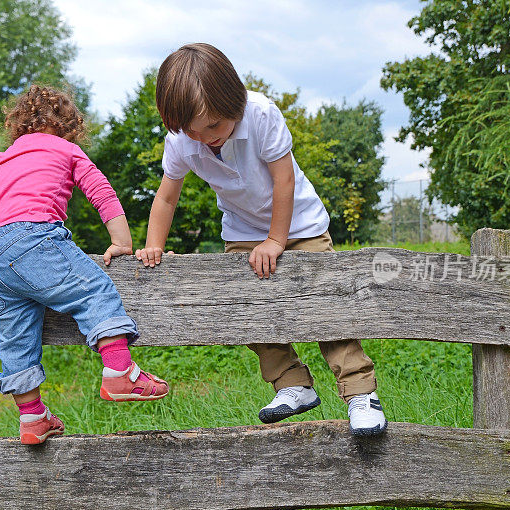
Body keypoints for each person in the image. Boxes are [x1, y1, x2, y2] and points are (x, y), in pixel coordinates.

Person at [135, 43, 386, 435]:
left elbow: (283, 180)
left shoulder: (262, 114)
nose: (205, 139)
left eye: (214, 126)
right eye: (192, 131)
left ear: (234, 102)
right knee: (252, 310)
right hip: (242, 231)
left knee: (325, 306)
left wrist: (275, 240)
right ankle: (292, 384)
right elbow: (167, 195)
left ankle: (359, 392)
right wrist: (153, 244)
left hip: (299, 224)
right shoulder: (184, 140)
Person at [0, 85, 169, 445]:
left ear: (19, 126)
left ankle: (32, 417)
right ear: (68, 125)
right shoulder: (66, 149)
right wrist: (122, 242)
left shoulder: (0, 160)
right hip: (34, 235)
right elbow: (101, 192)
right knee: (93, 289)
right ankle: (120, 371)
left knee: (14, 337)